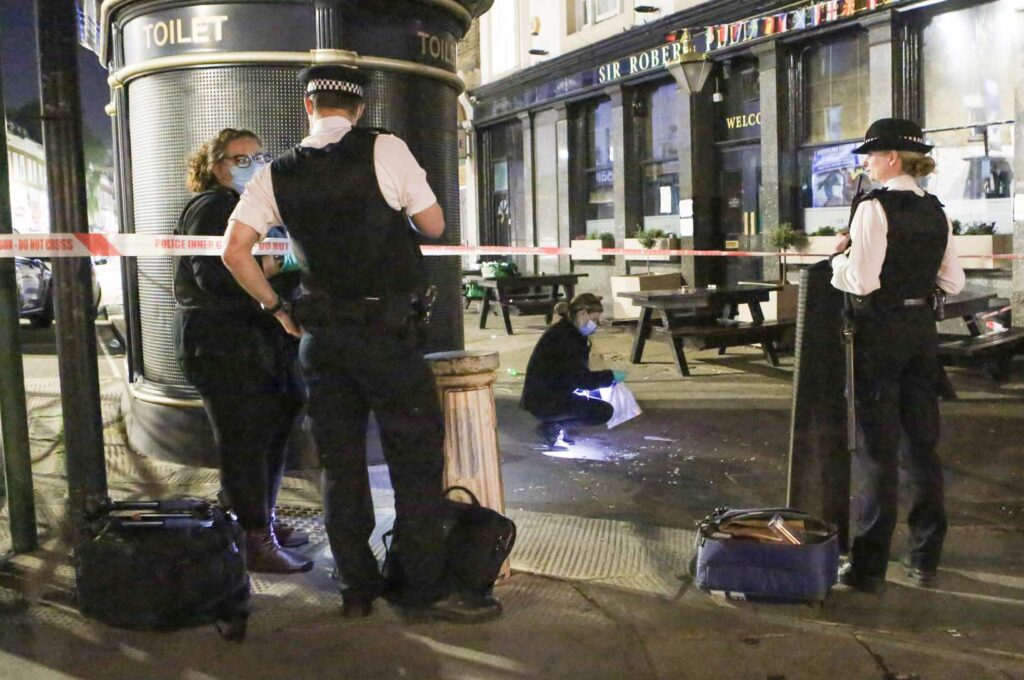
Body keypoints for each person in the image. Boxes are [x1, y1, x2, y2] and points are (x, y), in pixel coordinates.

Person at [220, 65, 500, 623]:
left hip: (321, 341)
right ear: (361, 109)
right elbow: (435, 224)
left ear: (307, 106)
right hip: (387, 335)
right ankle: (419, 589)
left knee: (340, 465)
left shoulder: (277, 173)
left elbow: (234, 250)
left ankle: (356, 586)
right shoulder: (386, 149)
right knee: (414, 460)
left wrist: (277, 309)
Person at [830, 118, 965, 592]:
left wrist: (838, 261)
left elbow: (862, 282)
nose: (866, 163)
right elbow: (953, 282)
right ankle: (925, 557)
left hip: (879, 334)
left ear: (891, 158)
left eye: (870, 155)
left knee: (877, 452)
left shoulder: (873, 207)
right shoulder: (937, 211)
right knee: (922, 447)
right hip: (921, 332)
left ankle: (868, 567)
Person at [173, 128, 311, 574]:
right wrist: (269, 267)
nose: (253, 164)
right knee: (246, 441)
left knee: (267, 433)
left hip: (255, 339)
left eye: (258, 155)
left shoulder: (250, 207)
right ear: (217, 168)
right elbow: (211, 275)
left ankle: (258, 521)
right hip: (222, 343)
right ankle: (255, 538)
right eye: (240, 158)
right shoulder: (213, 206)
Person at [521, 293, 624, 447]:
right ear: (582, 314)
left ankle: (555, 425)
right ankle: (552, 427)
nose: (596, 324)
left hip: (546, 395)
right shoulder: (567, 339)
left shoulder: (567, 331)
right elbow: (582, 380)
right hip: (545, 401)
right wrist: (610, 377)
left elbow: (573, 374)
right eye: (594, 320)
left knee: (594, 396)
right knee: (603, 411)